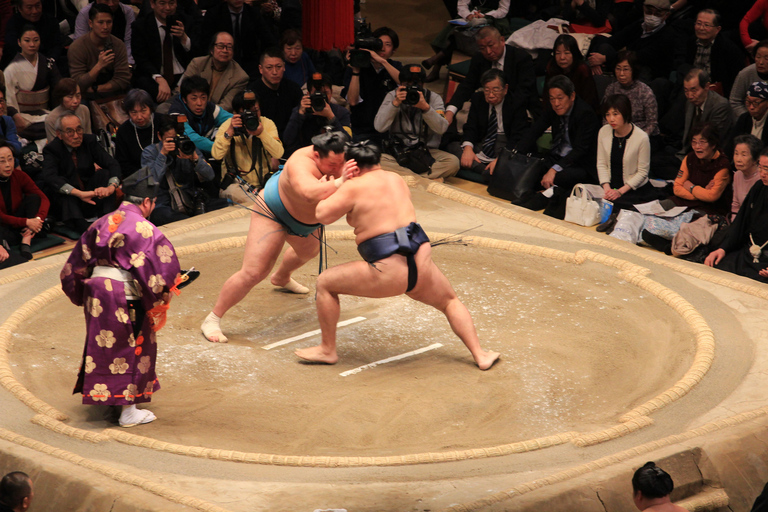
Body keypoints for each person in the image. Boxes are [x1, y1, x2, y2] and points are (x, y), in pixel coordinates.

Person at [294, 142, 500, 370]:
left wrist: (335, 185)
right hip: (421, 263)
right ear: (378, 162)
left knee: (325, 283)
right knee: (450, 301)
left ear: (352, 166)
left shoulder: (352, 187)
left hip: (388, 271)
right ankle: (480, 355)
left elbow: (321, 215)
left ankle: (327, 350)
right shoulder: (396, 179)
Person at [200, 130, 355, 343]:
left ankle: (281, 277)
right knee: (254, 271)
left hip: (305, 222)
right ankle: (213, 318)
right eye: (332, 166)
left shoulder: (347, 160)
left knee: (309, 251)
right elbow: (309, 193)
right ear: (317, 155)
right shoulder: (300, 161)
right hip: (273, 210)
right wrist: (341, 181)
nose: (338, 169)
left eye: (342, 163)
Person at [60, 168, 182, 428]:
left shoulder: (100, 222)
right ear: (146, 202)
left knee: (105, 345)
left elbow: (73, 267)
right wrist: (166, 290)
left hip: (97, 292)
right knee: (130, 344)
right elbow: (161, 271)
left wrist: (81, 292)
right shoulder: (144, 227)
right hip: (121, 294)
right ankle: (128, 409)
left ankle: (111, 397)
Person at [514, 75, 600, 219]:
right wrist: (514, 154)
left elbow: (580, 150)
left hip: (580, 164)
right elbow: (534, 131)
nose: (556, 103)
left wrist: (554, 169)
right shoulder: (552, 108)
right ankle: (542, 194)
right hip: (556, 157)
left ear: (571, 96)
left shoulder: (585, 114)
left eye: (560, 98)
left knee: (561, 177)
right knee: (532, 167)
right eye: (552, 98)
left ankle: (545, 196)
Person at [40, 113, 121, 234]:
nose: (76, 136)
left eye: (79, 130)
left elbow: (112, 164)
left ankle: (108, 219)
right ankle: (84, 229)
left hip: (90, 194)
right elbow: (50, 177)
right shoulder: (52, 149)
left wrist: (111, 187)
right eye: (70, 132)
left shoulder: (89, 141)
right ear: (59, 134)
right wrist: (79, 194)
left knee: (104, 174)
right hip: (70, 201)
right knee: (61, 187)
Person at [375, 64, 459, 181]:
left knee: (453, 163)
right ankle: (424, 179)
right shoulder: (392, 96)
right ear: (401, 84)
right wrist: (395, 104)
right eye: (407, 85)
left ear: (423, 84)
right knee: (377, 161)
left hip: (426, 152)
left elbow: (442, 128)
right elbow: (379, 127)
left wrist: (426, 108)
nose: (412, 89)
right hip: (398, 150)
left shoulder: (433, 98)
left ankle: (406, 179)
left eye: (416, 85)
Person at [141, 115, 227, 226]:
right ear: (159, 136)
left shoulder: (187, 147)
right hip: (164, 205)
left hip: (190, 201)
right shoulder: (150, 152)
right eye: (170, 140)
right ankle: (194, 223)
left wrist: (195, 159)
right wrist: (162, 155)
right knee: (164, 215)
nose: (175, 143)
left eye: (177, 138)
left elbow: (210, 176)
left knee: (226, 206)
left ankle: (194, 222)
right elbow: (151, 182)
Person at [446, 69, 528, 183]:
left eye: (495, 90)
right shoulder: (478, 99)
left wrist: (501, 160)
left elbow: (518, 138)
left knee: (515, 161)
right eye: (487, 90)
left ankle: (484, 168)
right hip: (483, 146)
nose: (490, 95)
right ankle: (485, 170)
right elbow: (471, 127)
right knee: (452, 146)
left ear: (505, 89)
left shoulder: (516, 103)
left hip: (505, 147)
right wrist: (468, 149)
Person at [444, 26, 539, 124]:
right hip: (487, 105)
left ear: (502, 40)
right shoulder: (479, 58)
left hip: (517, 106)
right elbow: (467, 85)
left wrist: (500, 108)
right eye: (482, 48)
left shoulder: (521, 58)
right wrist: (451, 111)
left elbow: (524, 92)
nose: (488, 52)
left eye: (491, 45)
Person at [595, 95, 661, 232]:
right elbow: (601, 163)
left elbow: (643, 172)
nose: (611, 119)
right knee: (596, 199)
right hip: (611, 187)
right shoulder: (603, 132)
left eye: (615, 114)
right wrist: (607, 188)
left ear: (625, 113)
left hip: (633, 189)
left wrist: (620, 191)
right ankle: (614, 217)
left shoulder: (641, 137)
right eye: (607, 114)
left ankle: (617, 220)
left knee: (620, 203)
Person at [212, 89, 283, 204]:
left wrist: (261, 134)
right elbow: (216, 155)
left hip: (264, 184)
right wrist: (229, 132)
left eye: (256, 111)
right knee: (258, 203)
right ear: (236, 113)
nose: (252, 116)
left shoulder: (266, 124)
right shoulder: (228, 126)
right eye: (247, 113)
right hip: (235, 185)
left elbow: (278, 153)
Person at [422, 0, 511, 83]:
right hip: (472, 16)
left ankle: (436, 64)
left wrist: (485, 16)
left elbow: (503, 10)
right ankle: (436, 66)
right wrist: (468, 15)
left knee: (465, 34)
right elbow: (462, 5)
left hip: (493, 18)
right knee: (450, 33)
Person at [342, 26, 402, 145]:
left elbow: (404, 82)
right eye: (379, 43)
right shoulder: (358, 66)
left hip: (391, 131)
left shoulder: (395, 66)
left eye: (388, 44)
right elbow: (353, 101)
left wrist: (382, 62)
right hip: (362, 131)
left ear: (394, 50)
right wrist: (355, 71)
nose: (382, 48)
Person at [131, 0, 195, 104]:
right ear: (152, 4)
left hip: (183, 74)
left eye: (171, 3)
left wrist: (184, 38)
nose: (167, 8)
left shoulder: (186, 21)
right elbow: (140, 58)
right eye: (162, 3)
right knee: (145, 85)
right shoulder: (141, 25)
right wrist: (159, 78)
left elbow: (197, 53)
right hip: (155, 74)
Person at [675, 9, 744, 98]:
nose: (701, 28)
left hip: (714, 91)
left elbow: (732, 80)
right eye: (698, 23)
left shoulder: (728, 48)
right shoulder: (692, 42)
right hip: (691, 85)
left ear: (717, 29)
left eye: (706, 25)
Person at [68, 4, 132, 99]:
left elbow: (122, 79)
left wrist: (96, 89)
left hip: (113, 92)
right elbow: (78, 83)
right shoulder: (77, 47)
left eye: (109, 22)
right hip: (86, 96)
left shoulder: (118, 45)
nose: (105, 27)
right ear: (90, 23)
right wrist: (99, 66)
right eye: (100, 22)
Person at [200, 0, 277, 77]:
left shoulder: (253, 13)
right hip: (221, 62)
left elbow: (268, 40)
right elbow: (205, 43)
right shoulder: (215, 14)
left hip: (250, 64)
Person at [283, 72, 352, 156]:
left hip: (333, 157)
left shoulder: (341, 112)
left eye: (325, 93)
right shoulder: (300, 111)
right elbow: (287, 140)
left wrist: (331, 117)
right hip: (306, 156)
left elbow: (347, 143)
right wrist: (300, 114)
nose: (322, 98)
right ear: (308, 94)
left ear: (331, 92)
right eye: (316, 94)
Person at [671, 122, 732, 216]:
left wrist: (691, 187)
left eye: (702, 142)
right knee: (660, 207)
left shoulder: (722, 165)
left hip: (710, 208)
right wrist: (701, 193)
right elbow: (677, 188)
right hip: (685, 201)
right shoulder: (690, 158)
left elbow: (711, 196)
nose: (697, 147)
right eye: (694, 142)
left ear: (713, 144)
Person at [0, 141, 48, 260]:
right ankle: (28, 233)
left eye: (10, 159)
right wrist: (26, 222)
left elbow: (43, 198)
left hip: (20, 221)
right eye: (2, 161)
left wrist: (37, 220)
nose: (8, 165)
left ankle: (26, 240)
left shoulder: (19, 175)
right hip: (4, 225)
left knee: (34, 198)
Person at [179, 32, 248, 113]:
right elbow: (183, 91)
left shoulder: (240, 77)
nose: (225, 50)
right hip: (188, 108)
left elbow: (226, 106)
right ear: (211, 49)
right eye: (220, 46)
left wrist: (202, 113)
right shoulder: (197, 64)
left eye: (229, 47)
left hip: (216, 115)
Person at [3, 25, 60, 120]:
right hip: (22, 115)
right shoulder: (11, 69)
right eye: (27, 40)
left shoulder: (47, 63)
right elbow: (9, 98)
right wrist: (16, 116)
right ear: (19, 42)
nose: (32, 44)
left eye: (36, 40)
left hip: (46, 112)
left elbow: (59, 88)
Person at [168, 75, 233, 156]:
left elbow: (231, 120)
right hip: (184, 155)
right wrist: (220, 148)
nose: (199, 103)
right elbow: (192, 138)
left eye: (203, 97)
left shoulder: (211, 108)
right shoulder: (176, 113)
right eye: (194, 98)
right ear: (184, 99)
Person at [247, 47, 303, 140]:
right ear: (260, 69)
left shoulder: (293, 88)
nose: (274, 72)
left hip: (290, 139)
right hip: (262, 140)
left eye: (278, 67)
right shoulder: (252, 93)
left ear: (284, 67)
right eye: (269, 67)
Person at [602, 50, 660, 138]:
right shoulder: (611, 89)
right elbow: (606, 118)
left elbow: (652, 123)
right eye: (618, 69)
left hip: (642, 136)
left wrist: (637, 139)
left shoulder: (645, 92)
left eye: (626, 69)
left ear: (634, 70)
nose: (621, 74)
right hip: (617, 134)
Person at [1, 0, 63, 71]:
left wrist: (49, 61)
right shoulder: (12, 24)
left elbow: (56, 45)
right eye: (29, 7)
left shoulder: (51, 21)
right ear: (20, 9)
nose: (35, 11)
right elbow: (12, 48)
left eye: (37, 6)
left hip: (48, 65)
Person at [545, 34, 599, 113]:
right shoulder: (551, 67)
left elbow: (589, 101)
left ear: (574, 54)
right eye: (558, 53)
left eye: (566, 53)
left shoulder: (582, 70)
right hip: (556, 112)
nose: (562, 57)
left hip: (581, 114)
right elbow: (547, 98)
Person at [72, 0, 136, 64]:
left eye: (115, 0)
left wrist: (128, 63)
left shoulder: (127, 12)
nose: (111, 4)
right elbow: (80, 43)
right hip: (91, 59)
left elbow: (129, 41)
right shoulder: (85, 13)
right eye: (106, 0)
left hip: (119, 57)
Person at [114, 89, 160, 175]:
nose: (139, 117)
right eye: (134, 112)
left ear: (150, 109)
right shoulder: (123, 131)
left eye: (143, 111)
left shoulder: (163, 122)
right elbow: (123, 164)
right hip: (139, 178)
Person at [727, 82, 768, 157]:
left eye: (756, 103)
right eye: (748, 102)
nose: (751, 107)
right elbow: (730, 146)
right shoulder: (744, 119)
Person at [44, 78, 91, 143]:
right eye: (70, 97)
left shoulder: (84, 110)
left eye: (78, 95)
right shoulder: (51, 119)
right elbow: (54, 147)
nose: (75, 101)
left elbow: (88, 137)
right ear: (61, 98)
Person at [730, 40, 768, 119]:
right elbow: (734, 101)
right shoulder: (745, 73)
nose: (760, 62)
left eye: (766, 58)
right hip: (749, 119)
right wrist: (747, 119)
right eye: (758, 57)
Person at [0, 88, 22, 155]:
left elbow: (17, 148)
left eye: (1, 101)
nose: (0, 106)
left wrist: (2, 143)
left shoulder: (7, 121)